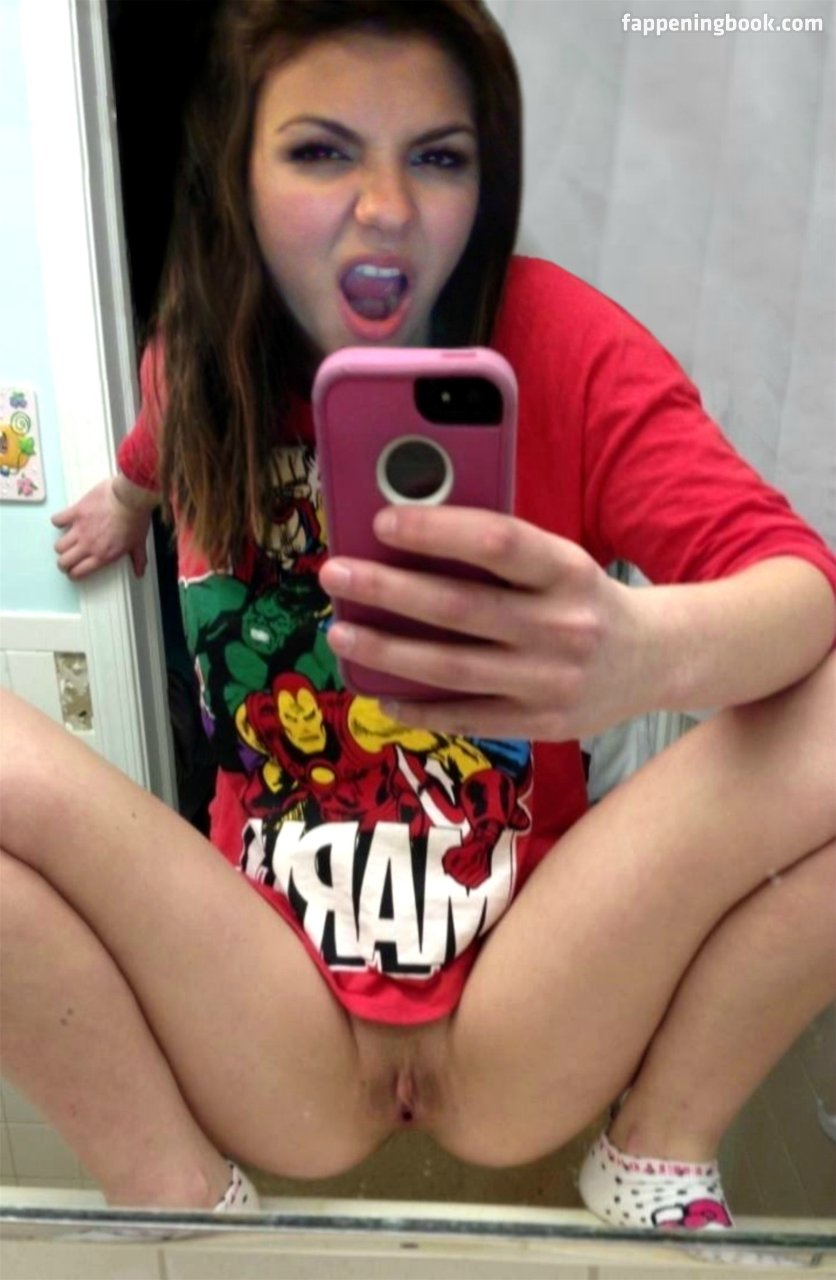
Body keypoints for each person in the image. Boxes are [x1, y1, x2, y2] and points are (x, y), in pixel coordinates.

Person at [1, 0, 834, 1237]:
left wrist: (642, 655)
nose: (385, 208)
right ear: (235, 175)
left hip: (527, 997)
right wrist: (127, 503)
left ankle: (658, 1144)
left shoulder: (566, 345)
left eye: (436, 155)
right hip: (268, 1010)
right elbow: (154, 442)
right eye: (321, 150)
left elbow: (800, 591)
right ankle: (166, 1194)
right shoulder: (201, 359)